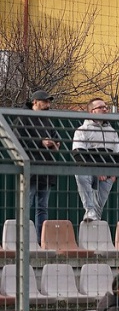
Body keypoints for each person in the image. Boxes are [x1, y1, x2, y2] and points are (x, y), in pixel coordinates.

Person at [13, 90, 61, 236]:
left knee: (43, 207)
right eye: (45, 101)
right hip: (30, 169)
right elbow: (17, 141)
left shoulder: (46, 119)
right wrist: (40, 142)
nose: (48, 104)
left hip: (46, 169)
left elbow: (56, 138)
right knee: (27, 205)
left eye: (49, 101)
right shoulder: (23, 118)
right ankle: (24, 238)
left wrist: (55, 143)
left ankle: (41, 239)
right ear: (35, 102)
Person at [72, 97, 119, 222]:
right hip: (89, 171)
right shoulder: (82, 131)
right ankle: (89, 211)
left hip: (108, 173)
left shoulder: (112, 131)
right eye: (101, 107)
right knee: (80, 175)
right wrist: (97, 170)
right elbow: (79, 155)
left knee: (98, 209)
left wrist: (113, 173)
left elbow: (118, 155)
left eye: (106, 107)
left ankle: (93, 220)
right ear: (92, 111)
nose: (105, 109)